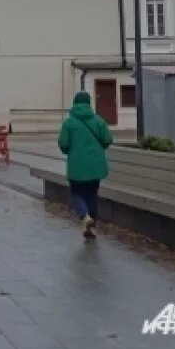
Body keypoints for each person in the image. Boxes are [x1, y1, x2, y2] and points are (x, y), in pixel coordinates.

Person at [57, 90, 114, 238]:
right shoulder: (98, 120)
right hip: (96, 167)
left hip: (77, 166)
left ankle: (84, 216)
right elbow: (108, 140)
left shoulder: (69, 123)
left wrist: (71, 150)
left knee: (76, 193)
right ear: (89, 103)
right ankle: (91, 227)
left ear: (75, 103)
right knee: (92, 195)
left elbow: (63, 144)